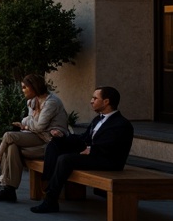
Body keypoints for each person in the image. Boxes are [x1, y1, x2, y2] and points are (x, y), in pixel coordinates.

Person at [30, 86, 134, 214]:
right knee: (55, 144)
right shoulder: (98, 119)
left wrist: (90, 149)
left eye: (95, 98)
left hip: (107, 160)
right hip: (93, 154)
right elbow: (84, 138)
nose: (91, 101)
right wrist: (63, 136)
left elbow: (111, 147)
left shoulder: (121, 124)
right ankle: (48, 183)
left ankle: (50, 200)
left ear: (106, 101)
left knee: (65, 160)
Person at [0, 74, 69, 203]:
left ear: (34, 87)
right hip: (36, 136)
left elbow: (39, 126)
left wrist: (26, 125)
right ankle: (9, 190)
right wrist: (28, 124)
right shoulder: (32, 101)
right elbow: (30, 121)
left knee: (9, 136)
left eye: (25, 87)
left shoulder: (51, 102)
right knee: (12, 146)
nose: (22, 90)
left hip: (50, 142)